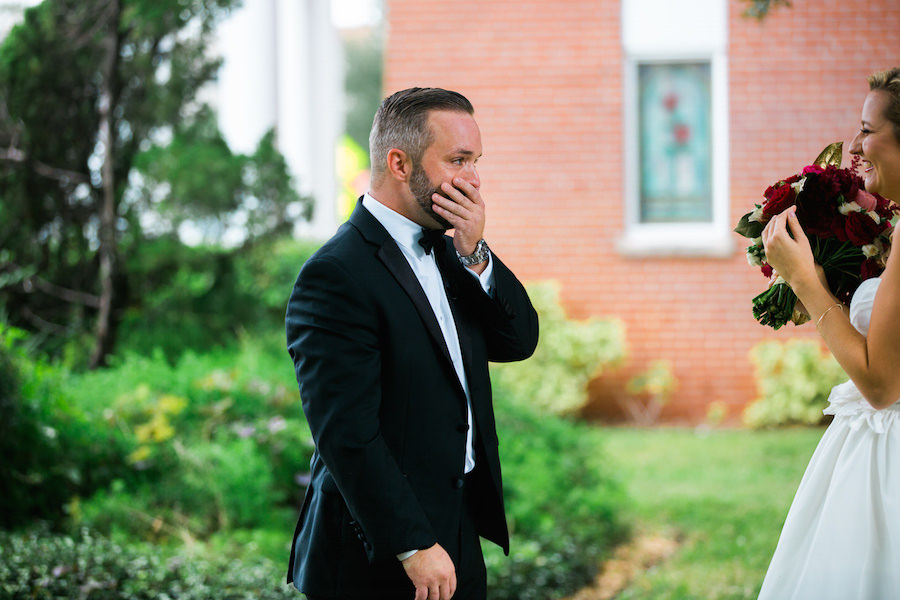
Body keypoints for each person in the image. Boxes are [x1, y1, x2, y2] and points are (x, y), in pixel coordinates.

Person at [284, 87, 539, 600]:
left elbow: (518, 340)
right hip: (378, 554)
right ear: (399, 163)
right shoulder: (335, 275)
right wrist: (412, 545)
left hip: (459, 530)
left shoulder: (451, 250)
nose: (473, 178)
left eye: (475, 161)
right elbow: (345, 433)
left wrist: (475, 253)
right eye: (458, 160)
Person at [758, 67, 900, 599]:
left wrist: (805, 281)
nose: (856, 144)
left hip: (886, 468)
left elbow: (882, 386)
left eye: (868, 129)